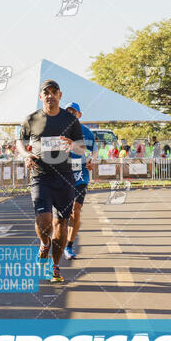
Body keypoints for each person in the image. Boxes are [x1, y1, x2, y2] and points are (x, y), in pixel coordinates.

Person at [16, 79, 84, 283]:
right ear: (41, 96)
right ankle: (44, 243)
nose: (50, 95)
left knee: (61, 223)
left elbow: (81, 148)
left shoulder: (70, 120)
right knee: (44, 220)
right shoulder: (32, 118)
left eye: (54, 92)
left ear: (60, 95)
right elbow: (20, 141)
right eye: (46, 92)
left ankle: (55, 266)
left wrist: (72, 145)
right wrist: (25, 155)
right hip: (40, 175)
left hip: (64, 177)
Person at [63, 102, 96, 260]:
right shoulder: (60, 130)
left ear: (79, 115)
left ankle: (69, 246)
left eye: (73, 112)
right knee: (62, 214)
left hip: (80, 175)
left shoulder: (86, 132)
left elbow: (94, 150)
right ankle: (58, 241)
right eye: (68, 111)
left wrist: (91, 159)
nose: (70, 114)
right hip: (63, 175)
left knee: (76, 210)